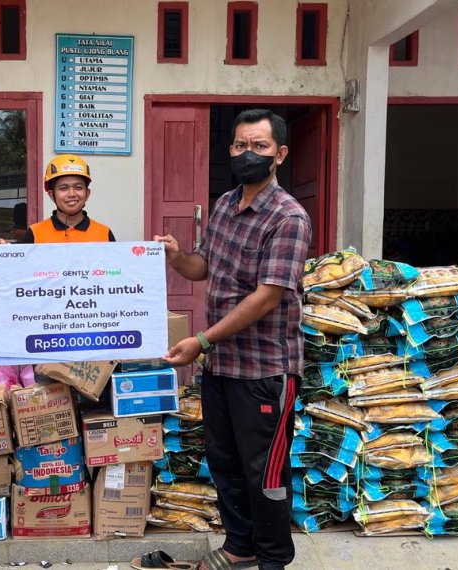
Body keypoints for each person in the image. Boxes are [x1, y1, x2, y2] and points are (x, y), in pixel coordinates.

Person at [154, 109, 311, 570]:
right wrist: (177, 256)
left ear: (279, 154)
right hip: (221, 367)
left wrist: (201, 340)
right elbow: (203, 266)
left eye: (259, 146)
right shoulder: (224, 205)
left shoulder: (288, 217)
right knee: (225, 461)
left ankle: (273, 558)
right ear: (230, 149)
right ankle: (240, 544)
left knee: (265, 471)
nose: (248, 154)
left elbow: (267, 297)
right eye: (241, 145)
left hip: (265, 370)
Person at [21, 154, 116, 243]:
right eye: (63, 188)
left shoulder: (104, 234)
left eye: (78, 187)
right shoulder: (35, 234)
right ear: (51, 195)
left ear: (87, 193)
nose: (72, 194)